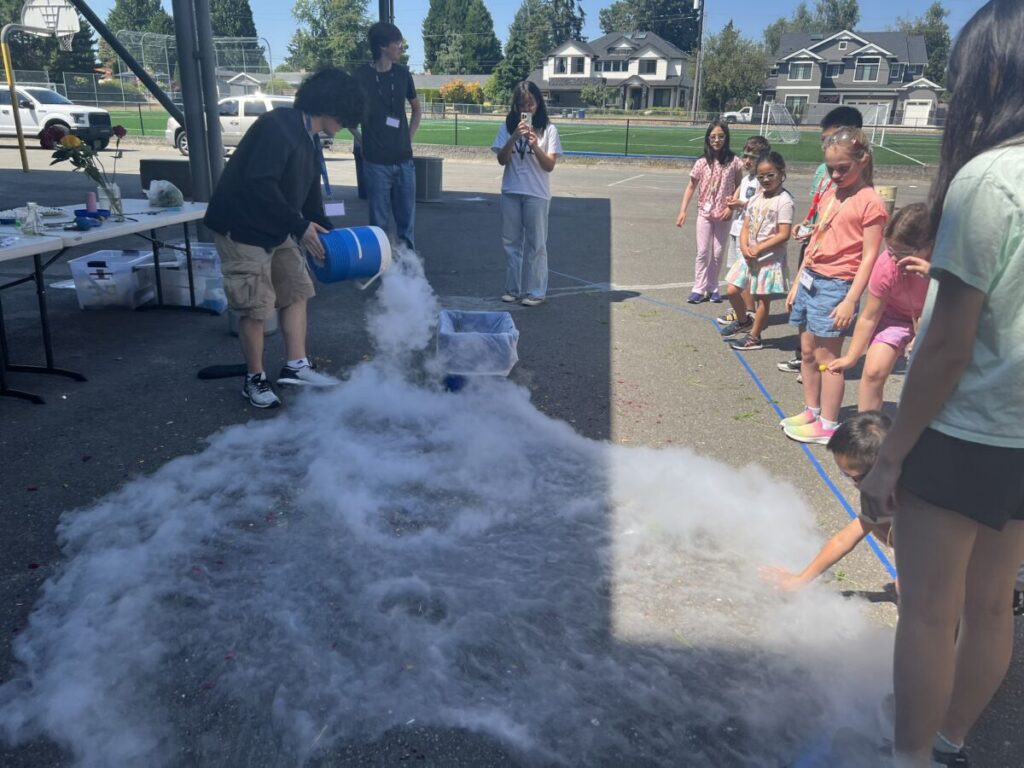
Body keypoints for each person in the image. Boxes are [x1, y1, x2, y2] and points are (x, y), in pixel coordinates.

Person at [858, 2, 1024, 765]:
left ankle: (911, 754)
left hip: (966, 432)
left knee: (929, 611)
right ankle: (952, 733)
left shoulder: (991, 178)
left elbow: (950, 342)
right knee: (994, 603)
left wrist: (890, 455)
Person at [204, 67, 366, 408]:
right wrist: (299, 225)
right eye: (347, 117)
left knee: (296, 291)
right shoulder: (279, 126)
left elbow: (309, 198)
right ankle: (255, 379)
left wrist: (330, 237)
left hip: (277, 226)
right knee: (256, 307)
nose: (349, 126)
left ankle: (296, 365)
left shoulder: (309, 137)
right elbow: (259, 184)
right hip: (243, 228)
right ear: (331, 107)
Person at [780, 127, 887, 445]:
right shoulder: (831, 193)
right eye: (831, 169)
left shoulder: (870, 203)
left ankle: (828, 422)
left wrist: (850, 300)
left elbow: (869, 258)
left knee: (830, 360)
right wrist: (797, 282)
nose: (837, 174)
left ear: (862, 160)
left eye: (844, 168)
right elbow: (817, 239)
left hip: (836, 286)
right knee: (809, 353)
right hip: (811, 278)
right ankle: (812, 409)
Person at [761, 411, 892, 591]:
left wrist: (797, 582)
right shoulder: (885, 481)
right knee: (875, 521)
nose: (847, 481)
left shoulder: (909, 496)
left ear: (877, 472)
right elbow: (847, 537)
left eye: (849, 476)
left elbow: (845, 539)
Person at [778, 106, 864, 377]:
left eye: (828, 139)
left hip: (834, 265)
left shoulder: (858, 190)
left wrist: (851, 299)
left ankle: (817, 363)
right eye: (822, 141)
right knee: (804, 314)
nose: (823, 145)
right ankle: (804, 359)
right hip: (814, 246)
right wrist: (806, 224)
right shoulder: (821, 170)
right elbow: (818, 207)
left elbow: (867, 250)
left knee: (822, 326)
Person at [827, 203, 933, 411]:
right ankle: (868, 429)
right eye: (890, 248)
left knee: (928, 381)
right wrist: (851, 356)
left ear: (929, 245)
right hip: (895, 318)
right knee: (874, 370)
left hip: (936, 320)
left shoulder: (948, 262)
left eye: (902, 252)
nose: (894, 257)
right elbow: (870, 316)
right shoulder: (887, 265)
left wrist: (936, 275)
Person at [491, 81, 561, 306]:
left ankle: (536, 292)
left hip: (536, 194)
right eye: (522, 104)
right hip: (511, 191)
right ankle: (512, 289)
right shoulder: (507, 126)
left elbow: (549, 166)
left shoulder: (549, 129)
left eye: (531, 104)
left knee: (537, 244)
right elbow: (502, 159)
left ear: (539, 103)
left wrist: (535, 145)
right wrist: (513, 137)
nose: (527, 109)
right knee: (511, 243)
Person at [352, 22, 421, 249]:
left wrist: (408, 138)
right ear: (383, 46)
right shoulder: (361, 76)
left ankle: (410, 273)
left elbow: (416, 108)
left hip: (404, 161)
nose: (401, 47)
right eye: (397, 43)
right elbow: (346, 114)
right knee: (379, 224)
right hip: (375, 164)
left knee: (406, 223)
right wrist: (362, 139)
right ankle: (383, 273)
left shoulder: (402, 74)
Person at [718, 151, 794, 351]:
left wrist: (759, 247)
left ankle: (754, 337)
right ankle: (744, 321)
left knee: (762, 300)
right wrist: (744, 245)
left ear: (781, 173)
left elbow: (784, 234)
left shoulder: (784, 201)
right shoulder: (755, 198)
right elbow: (746, 225)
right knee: (733, 290)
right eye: (761, 176)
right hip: (748, 255)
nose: (766, 180)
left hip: (768, 259)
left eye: (771, 175)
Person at [676, 120, 743, 304]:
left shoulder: (735, 162)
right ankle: (698, 287)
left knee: (718, 252)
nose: (717, 140)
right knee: (703, 251)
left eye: (721, 136)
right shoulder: (701, 162)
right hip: (704, 212)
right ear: (707, 138)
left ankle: (713, 286)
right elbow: (691, 187)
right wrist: (683, 211)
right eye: (713, 136)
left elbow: (739, 184)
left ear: (726, 138)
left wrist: (731, 207)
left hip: (723, 213)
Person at [716, 135, 770, 327]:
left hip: (748, 235)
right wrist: (731, 205)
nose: (747, 161)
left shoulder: (761, 181)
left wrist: (741, 203)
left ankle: (748, 312)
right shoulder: (747, 179)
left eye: (752, 157)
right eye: (745, 156)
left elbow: (760, 205)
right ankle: (741, 309)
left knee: (743, 276)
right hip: (736, 231)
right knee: (735, 271)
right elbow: (738, 192)